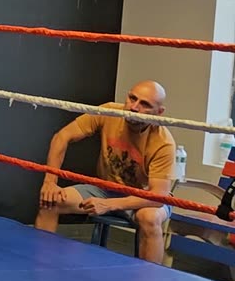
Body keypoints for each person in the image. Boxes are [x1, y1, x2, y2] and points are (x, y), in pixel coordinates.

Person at [34, 80, 177, 264]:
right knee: (51, 200)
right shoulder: (110, 111)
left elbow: (158, 195)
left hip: (144, 199)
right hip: (105, 189)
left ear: (159, 112)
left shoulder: (163, 142)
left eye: (145, 104)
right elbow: (62, 136)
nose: (134, 107)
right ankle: (40, 266)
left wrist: (109, 205)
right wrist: (50, 182)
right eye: (132, 98)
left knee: (148, 218)